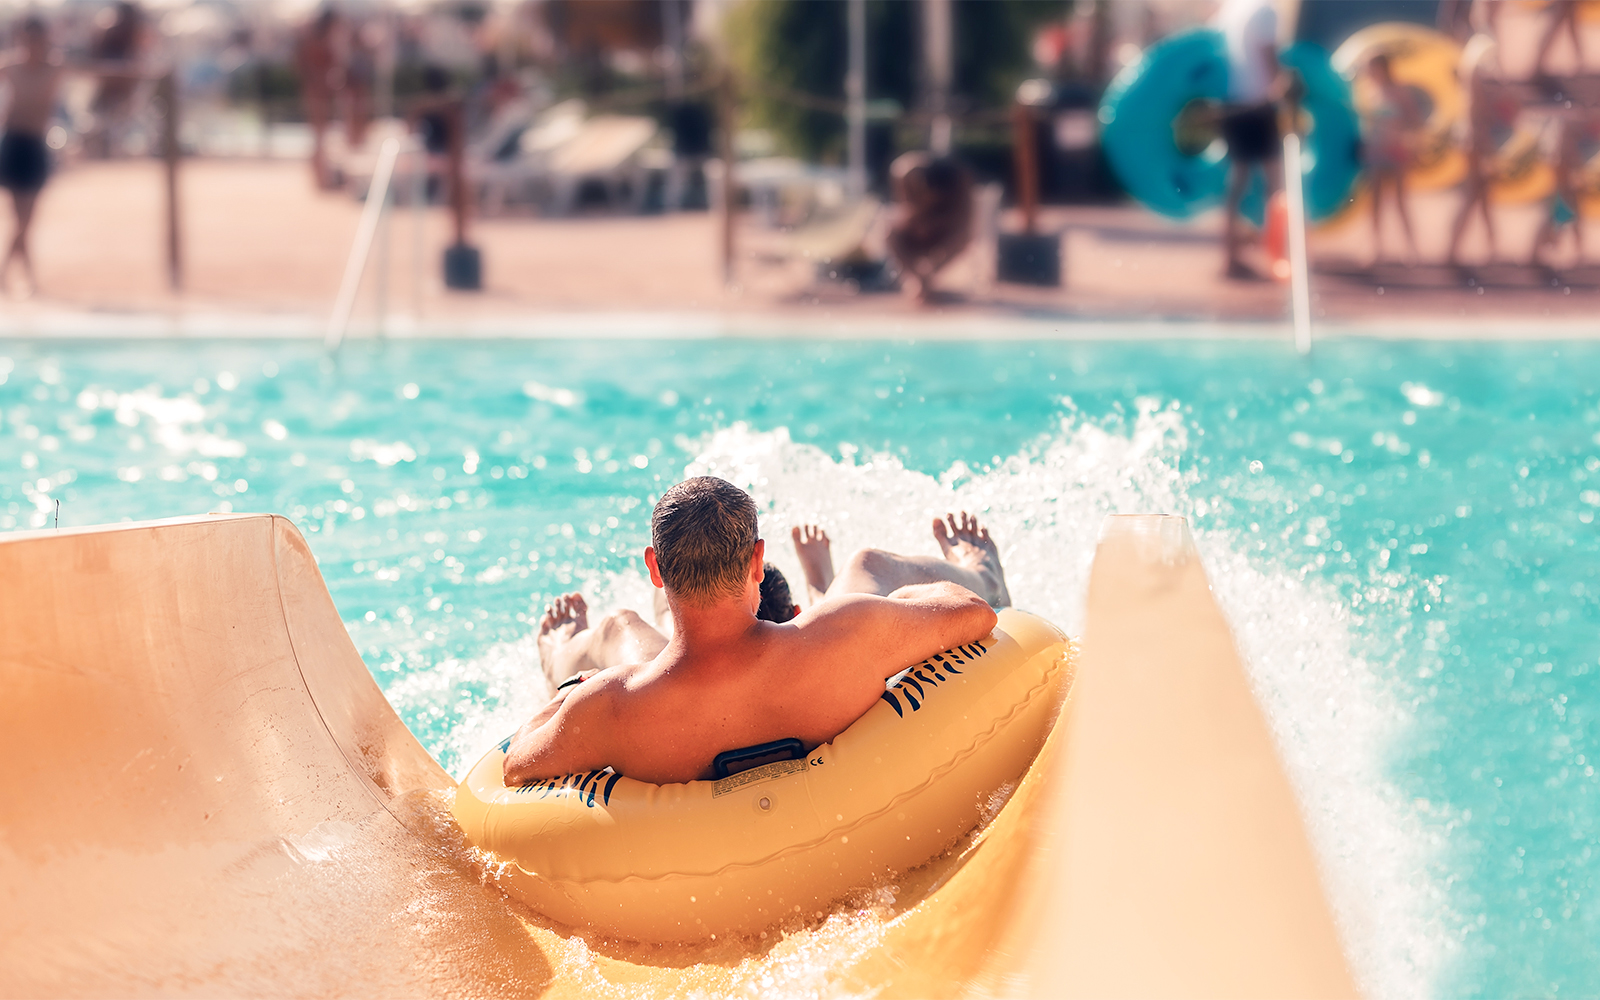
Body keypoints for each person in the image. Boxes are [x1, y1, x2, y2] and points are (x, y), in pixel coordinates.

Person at [504, 477, 1005, 786]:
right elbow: (975, 613)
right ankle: (983, 568)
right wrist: (888, 609)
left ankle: (558, 657)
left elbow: (517, 766)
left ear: (654, 569)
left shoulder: (609, 705)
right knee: (867, 563)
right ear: (758, 561)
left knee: (618, 626)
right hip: (805, 659)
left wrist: (570, 698)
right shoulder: (847, 633)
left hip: (665, 692)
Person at [0, 16, 142, 296]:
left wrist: (135, 69)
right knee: (21, 219)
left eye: (37, 40)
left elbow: (100, 71)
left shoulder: (56, 68)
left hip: (35, 146)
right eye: (27, 40)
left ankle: (12, 276)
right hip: (13, 145)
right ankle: (23, 279)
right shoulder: (10, 67)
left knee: (26, 220)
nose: (32, 46)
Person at [1215, 0, 1291, 281]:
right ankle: (1277, 254)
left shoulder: (1232, 8)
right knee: (1275, 182)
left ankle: (1230, 256)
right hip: (1259, 104)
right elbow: (1268, 55)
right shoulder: (1265, 10)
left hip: (1231, 103)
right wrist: (1285, 88)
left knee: (1237, 181)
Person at [1447, 32, 1508, 272]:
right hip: (1476, 137)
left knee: (1481, 194)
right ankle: (1453, 250)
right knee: (1474, 193)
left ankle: (1491, 247)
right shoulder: (1479, 76)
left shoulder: (1470, 72)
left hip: (1472, 136)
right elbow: (1482, 112)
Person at [1359, 53, 1423, 268]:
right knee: (1375, 202)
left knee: (1400, 201)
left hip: (1396, 151)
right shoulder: (1368, 92)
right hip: (1377, 152)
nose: (1369, 72)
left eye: (1372, 68)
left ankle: (1411, 248)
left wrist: (1404, 136)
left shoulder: (1399, 91)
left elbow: (1414, 119)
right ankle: (1376, 248)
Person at [886, 152, 973, 304]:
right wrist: (917, 221)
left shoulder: (960, 182)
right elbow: (902, 211)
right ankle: (920, 280)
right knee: (889, 233)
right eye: (926, 197)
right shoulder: (904, 172)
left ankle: (927, 278)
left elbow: (966, 223)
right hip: (917, 227)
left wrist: (936, 224)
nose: (930, 202)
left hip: (946, 228)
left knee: (963, 236)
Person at [295, 6, 345, 190]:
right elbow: (314, 69)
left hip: (317, 93)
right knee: (319, 138)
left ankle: (322, 177)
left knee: (320, 138)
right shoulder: (316, 41)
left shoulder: (315, 40)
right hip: (317, 94)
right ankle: (321, 178)